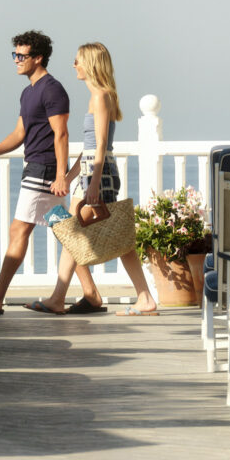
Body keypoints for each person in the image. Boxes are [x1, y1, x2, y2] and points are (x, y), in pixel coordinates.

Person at [29, 42, 157, 317]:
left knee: (84, 233)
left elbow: (100, 146)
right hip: (92, 170)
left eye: (78, 60)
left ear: (90, 64)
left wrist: (94, 183)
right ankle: (60, 297)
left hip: (98, 173)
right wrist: (67, 177)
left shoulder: (100, 96)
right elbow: (90, 148)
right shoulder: (100, 96)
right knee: (86, 234)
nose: (74, 65)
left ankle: (143, 298)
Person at [0, 30, 71, 314]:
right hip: (36, 167)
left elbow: (61, 134)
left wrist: (60, 175)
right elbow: (20, 133)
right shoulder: (28, 92)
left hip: (44, 170)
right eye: (15, 55)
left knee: (19, 229)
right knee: (66, 232)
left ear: (38, 58)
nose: (16, 60)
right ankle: (91, 293)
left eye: (22, 55)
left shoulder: (52, 89)